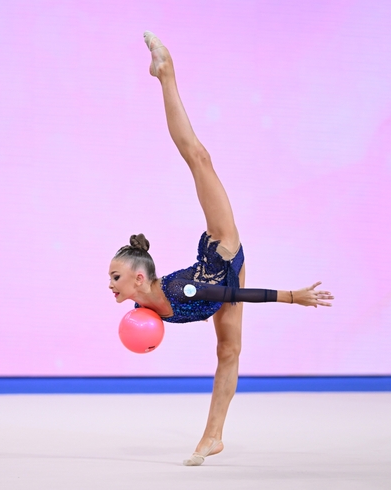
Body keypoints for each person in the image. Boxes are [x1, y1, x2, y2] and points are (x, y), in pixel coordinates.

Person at [108, 31, 334, 466]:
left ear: (138, 277)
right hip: (216, 279)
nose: (110, 285)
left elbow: (237, 293)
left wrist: (294, 296)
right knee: (228, 352)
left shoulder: (179, 293)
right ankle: (214, 438)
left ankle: (165, 72)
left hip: (222, 251)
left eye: (115, 277)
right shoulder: (143, 309)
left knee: (199, 158)